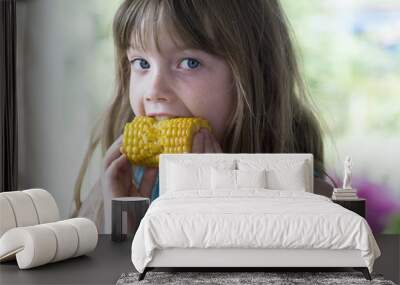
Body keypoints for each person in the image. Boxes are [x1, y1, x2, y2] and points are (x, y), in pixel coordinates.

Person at [71, 0, 334, 233]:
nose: (154, 91)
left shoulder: (304, 196)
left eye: (189, 63)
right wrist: (124, 229)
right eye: (142, 63)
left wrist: (219, 214)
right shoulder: (126, 185)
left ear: (255, 75)